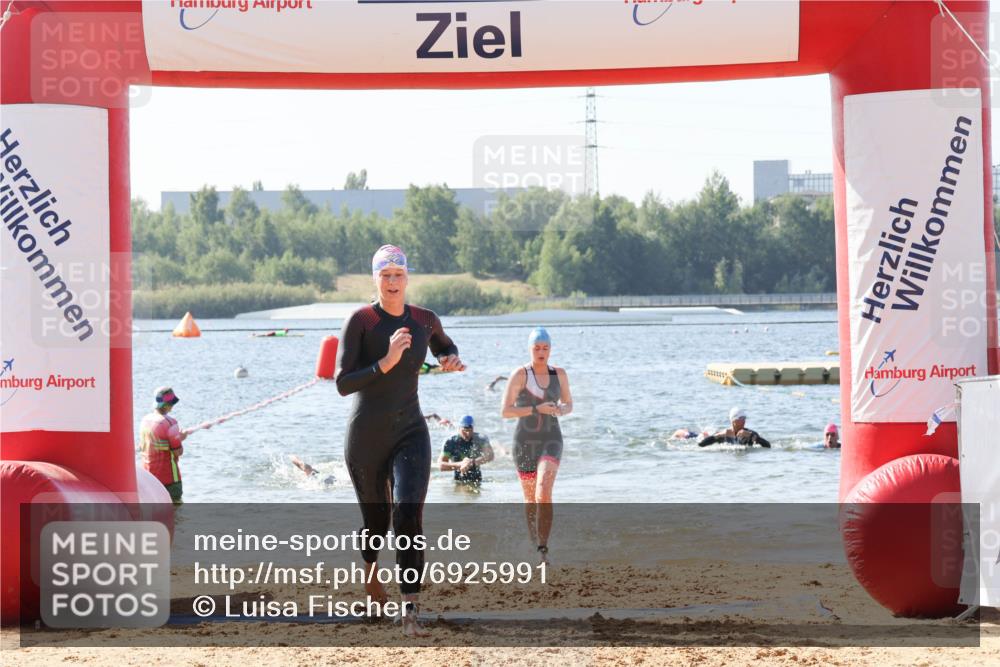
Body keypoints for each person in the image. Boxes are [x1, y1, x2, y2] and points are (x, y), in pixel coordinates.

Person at [335, 244, 465, 637]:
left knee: (407, 515)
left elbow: (444, 344)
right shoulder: (361, 321)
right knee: (376, 523)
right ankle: (370, 569)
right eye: (385, 275)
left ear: (407, 278)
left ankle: (410, 611)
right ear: (375, 278)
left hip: (410, 430)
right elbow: (343, 383)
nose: (392, 282)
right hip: (366, 436)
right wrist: (386, 362)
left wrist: (450, 358)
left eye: (399, 275)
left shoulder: (424, 320)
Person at [501, 327, 573, 563]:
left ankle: (543, 547)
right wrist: (536, 409)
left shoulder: (559, 374)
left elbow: (569, 403)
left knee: (543, 490)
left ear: (550, 349)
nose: (541, 352)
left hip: (552, 439)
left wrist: (562, 409)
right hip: (524, 441)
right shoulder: (520, 374)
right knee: (531, 498)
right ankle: (534, 544)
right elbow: (506, 411)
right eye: (537, 348)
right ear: (530, 349)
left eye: (545, 348)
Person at [138, 386, 189, 505]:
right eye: (172, 403)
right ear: (167, 405)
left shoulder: (145, 420)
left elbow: (144, 446)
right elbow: (178, 452)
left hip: (149, 479)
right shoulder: (170, 423)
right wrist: (181, 438)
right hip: (170, 480)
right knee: (175, 511)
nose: (172, 407)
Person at [439, 415, 495, 488]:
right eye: (465, 430)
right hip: (458, 481)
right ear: (459, 428)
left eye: (470, 430)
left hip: (478, 480)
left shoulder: (480, 439)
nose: (468, 433)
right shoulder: (451, 442)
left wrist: (472, 462)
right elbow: (441, 465)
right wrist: (461, 464)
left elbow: (490, 456)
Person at [698, 407, 771, 448]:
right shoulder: (724, 434)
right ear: (733, 420)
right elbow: (701, 445)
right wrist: (719, 435)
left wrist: (751, 436)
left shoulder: (749, 434)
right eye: (741, 418)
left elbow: (768, 446)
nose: (744, 421)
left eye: (744, 418)